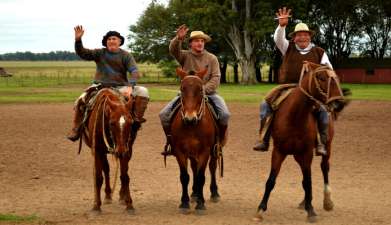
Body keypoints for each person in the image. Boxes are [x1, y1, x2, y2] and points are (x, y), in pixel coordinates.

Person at [253, 7, 333, 155]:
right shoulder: (287, 47)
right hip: (287, 87)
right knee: (265, 105)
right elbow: (277, 39)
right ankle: (263, 139)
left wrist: (313, 68)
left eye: (305, 35)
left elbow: (328, 71)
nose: (302, 38)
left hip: (310, 90)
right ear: (294, 37)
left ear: (310, 37)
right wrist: (281, 26)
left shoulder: (319, 52)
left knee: (322, 111)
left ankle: (321, 143)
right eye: (299, 35)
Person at [66, 25, 149, 142]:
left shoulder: (126, 55)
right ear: (106, 42)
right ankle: (76, 128)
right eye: (109, 39)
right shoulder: (99, 53)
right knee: (81, 99)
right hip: (99, 86)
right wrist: (78, 41)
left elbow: (134, 71)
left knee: (143, 91)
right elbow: (82, 53)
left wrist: (130, 86)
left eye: (114, 38)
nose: (111, 41)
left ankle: (135, 121)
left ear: (120, 41)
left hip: (120, 87)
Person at [159, 24, 230, 155]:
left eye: (202, 41)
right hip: (187, 95)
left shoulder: (212, 58)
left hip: (209, 93)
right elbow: (173, 50)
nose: (200, 43)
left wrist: (203, 90)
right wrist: (178, 39)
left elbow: (216, 77)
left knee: (225, 115)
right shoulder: (184, 56)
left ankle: (218, 142)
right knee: (163, 115)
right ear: (191, 43)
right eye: (196, 41)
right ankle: (170, 143)